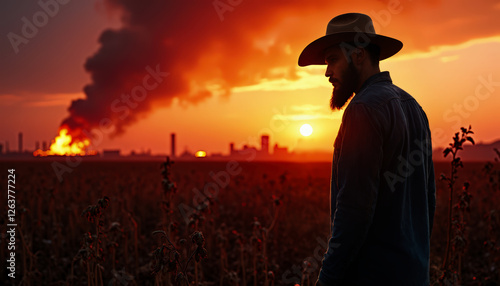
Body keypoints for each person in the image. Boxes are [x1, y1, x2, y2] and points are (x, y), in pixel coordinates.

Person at [298, 13, 436, 285]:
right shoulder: (415, 108)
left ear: (358, 55)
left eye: (332, 60)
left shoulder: (362, 110)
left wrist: (327, 278)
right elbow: (428, 199)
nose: (327, 73)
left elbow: (354, 209)